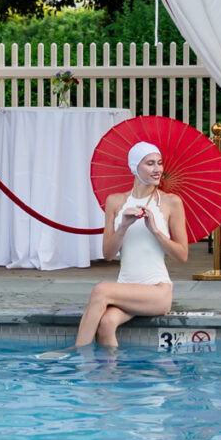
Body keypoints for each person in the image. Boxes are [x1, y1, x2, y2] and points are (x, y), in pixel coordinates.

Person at [75, 142, 190, 349]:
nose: (157, 169)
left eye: (159, 163)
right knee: (106, 324)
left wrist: (155, 230)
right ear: (135, 167)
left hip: (158, 291)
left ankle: (76, 353)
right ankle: (110, 368)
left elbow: (182, 256)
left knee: (101, 290)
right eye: (150, 164)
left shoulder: (171, 202)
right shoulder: (115, 202)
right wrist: (123, 226)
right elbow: (108, 254)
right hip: (125, 288)